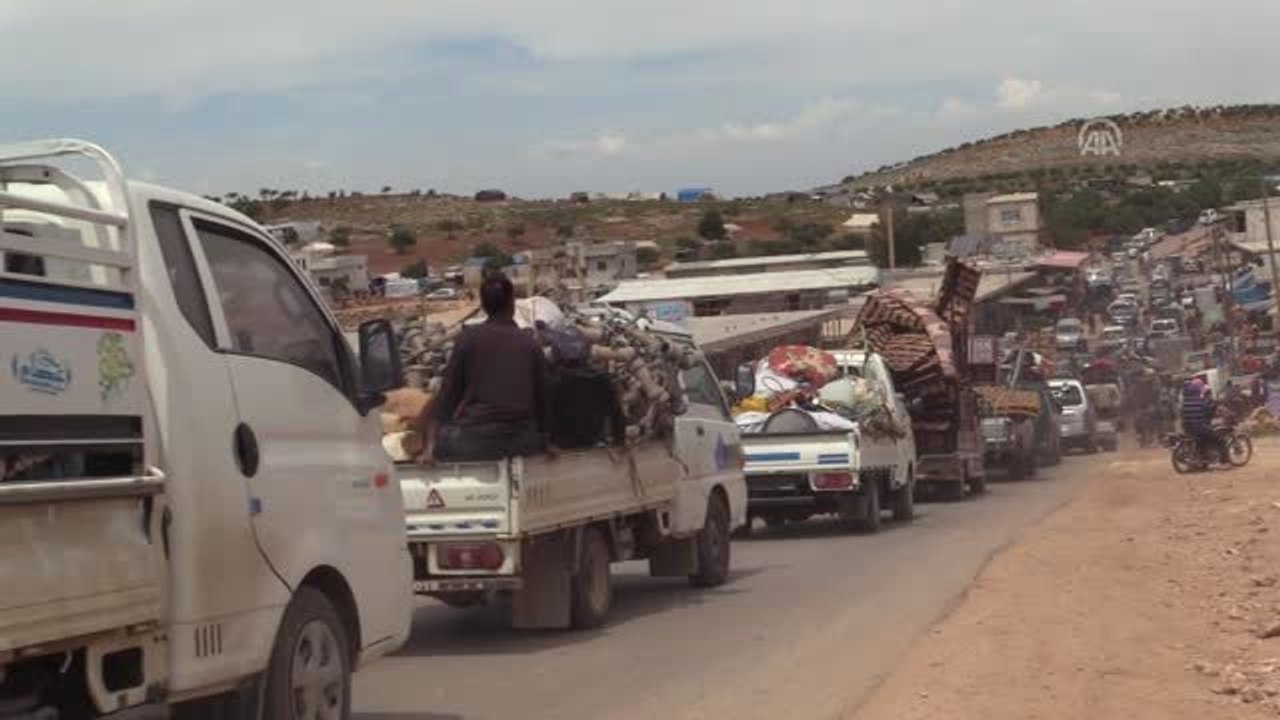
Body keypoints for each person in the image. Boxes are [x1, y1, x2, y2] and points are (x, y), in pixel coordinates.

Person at [428, 273, 554, 462]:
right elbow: (543, 396)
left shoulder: (467, 339)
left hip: (475, 441)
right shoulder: (529, 343)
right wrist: (546, 440)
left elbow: (448, 395)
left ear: (484, 306)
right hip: (522, 441)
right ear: (512, 303)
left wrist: (430, 446)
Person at [1180, 377, 1217, 462]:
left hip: (1187, 428)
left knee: (1201, 439)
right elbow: (1207, 411)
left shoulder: (1185, 402)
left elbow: (1182, 414)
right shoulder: (1200, 401)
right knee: (1216, 438)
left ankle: (1203, 458)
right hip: (1199, 427)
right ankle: (1221, 458)